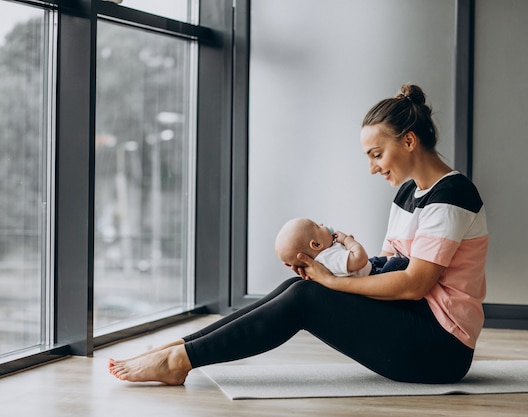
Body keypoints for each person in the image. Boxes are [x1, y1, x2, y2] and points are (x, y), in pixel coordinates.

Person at [108, 83, 488, 385]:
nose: (372, 167)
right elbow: (389, 264)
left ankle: (179, 360)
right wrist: (335, 266)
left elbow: (412, 285)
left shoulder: (452, 195)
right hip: (412, 321)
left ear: (409, 141)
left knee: (307, 297)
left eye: (376, 154)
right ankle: (182, 348)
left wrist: (332, 283)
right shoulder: (409, 191)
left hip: (440, 348)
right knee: (299, 288)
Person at [275, 217, 408, 277]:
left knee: (382, 259)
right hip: (371, 276)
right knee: (398, 263)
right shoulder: (329, 258)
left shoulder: (324, 256)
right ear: (316, 245)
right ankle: (407, 261)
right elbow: (360, 259)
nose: (322, 224)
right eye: (317, 226)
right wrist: (348, 240)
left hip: (368, 267)